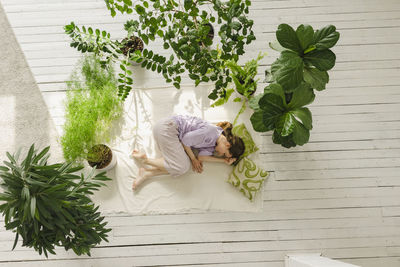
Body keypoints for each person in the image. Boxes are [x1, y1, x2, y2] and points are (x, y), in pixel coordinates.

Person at [131, 114, 245, 190]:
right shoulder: (211, 132)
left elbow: (202, 158)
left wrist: (224, 161)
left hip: (171, 135)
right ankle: (146, 160)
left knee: (181, 168)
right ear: (227, 145)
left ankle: (147, 173)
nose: (220, 155)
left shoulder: (213, 145)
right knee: (182, 167)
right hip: (167, 129)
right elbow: (186, 140)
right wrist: (193, 159)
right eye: (224, 154)